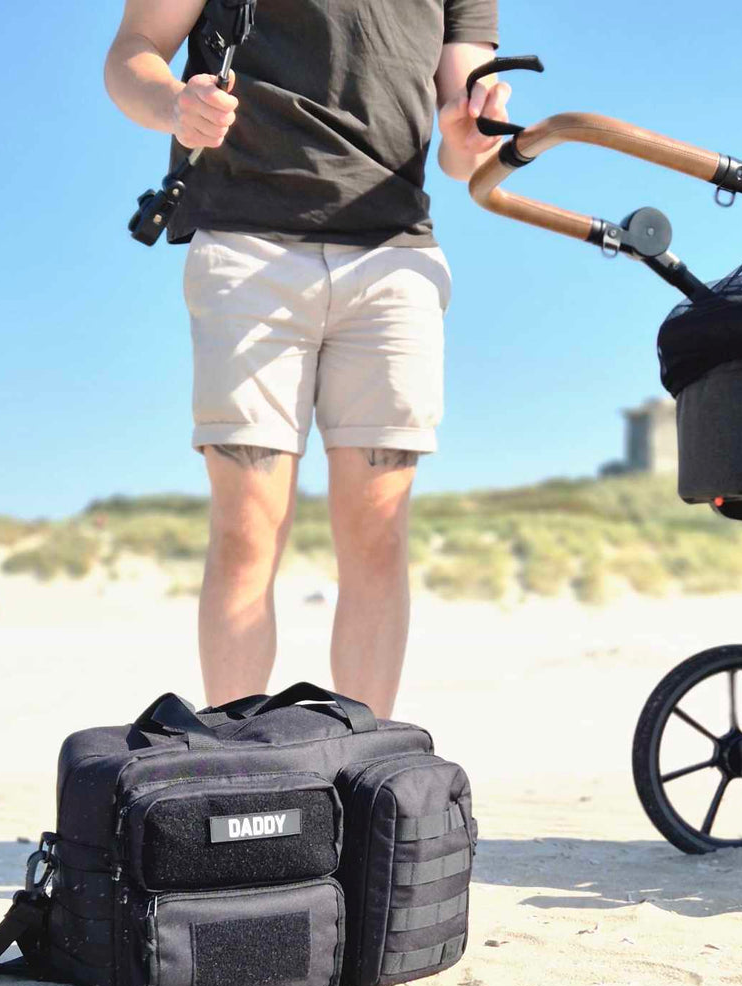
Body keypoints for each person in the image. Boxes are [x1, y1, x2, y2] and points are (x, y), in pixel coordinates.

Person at [105, 0, 510, 717]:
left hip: (394, 257)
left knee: (379, 539)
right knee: (247, 530)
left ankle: (361, 773)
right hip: (247, 246)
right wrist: (174, 102)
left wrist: (466, 133)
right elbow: (131, 53)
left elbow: (460, 142)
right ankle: (241, 780)